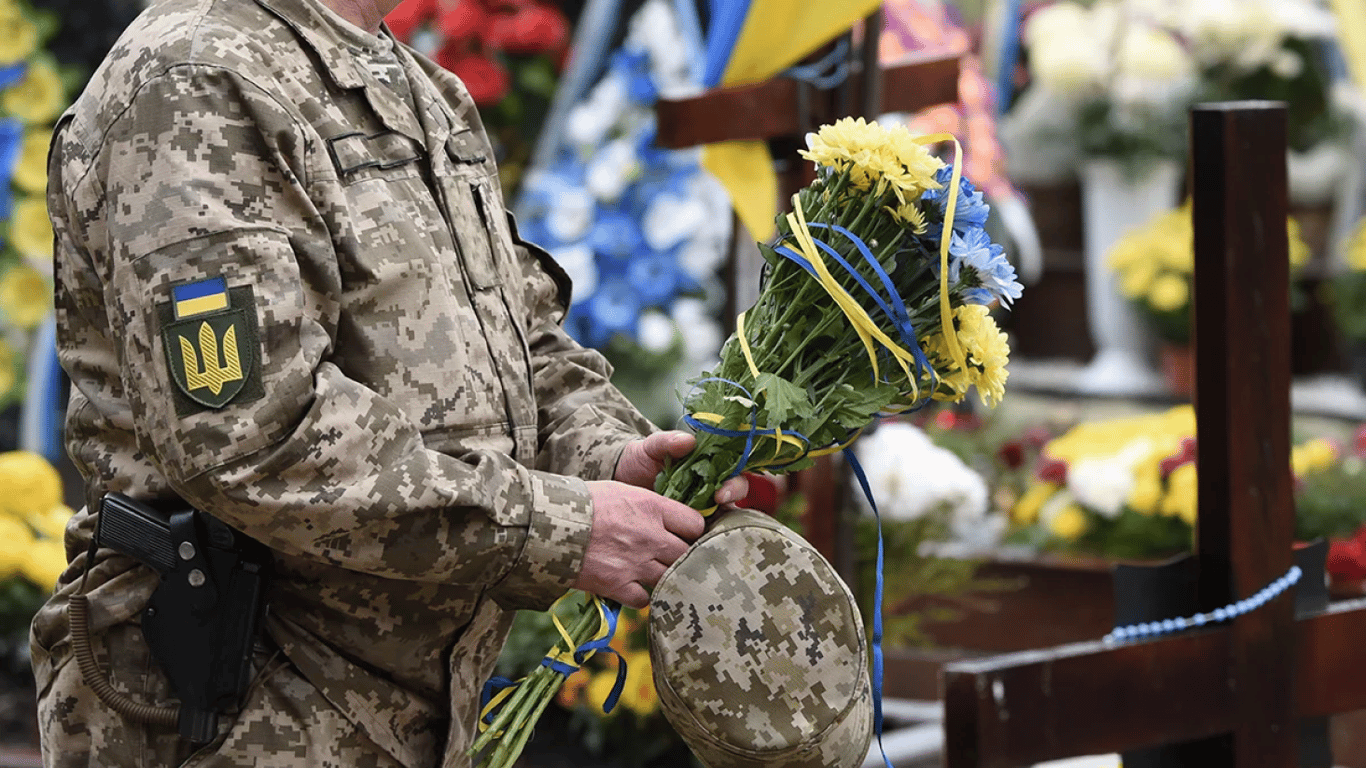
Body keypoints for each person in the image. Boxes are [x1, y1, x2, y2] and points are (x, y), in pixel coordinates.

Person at [32, 0, 745, 764]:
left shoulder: (413, 85)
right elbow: (249, 439)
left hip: (406, 714)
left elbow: (518, 342)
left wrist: (609, 457)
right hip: (244, 708)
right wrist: (561, 528)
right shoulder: (198, 78)